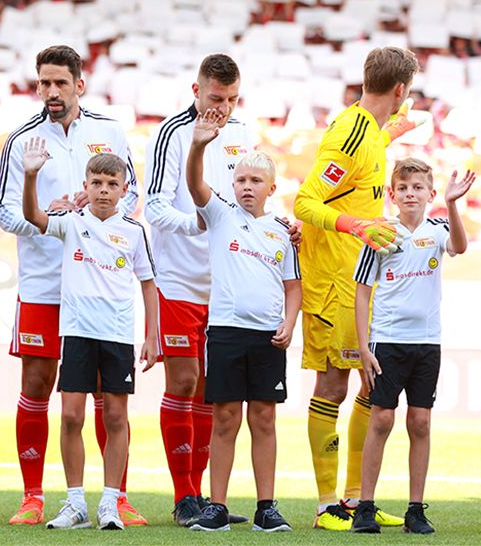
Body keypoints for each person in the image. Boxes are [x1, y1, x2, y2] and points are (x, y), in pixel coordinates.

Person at [0, 44, 145, 526]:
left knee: (106, 395)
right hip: (43, 283)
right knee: (39, 384)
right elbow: (4, 214)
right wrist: (53, 212)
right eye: (45, 83)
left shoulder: (110, 131)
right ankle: (34, 495)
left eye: (61, 82)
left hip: (99, 286)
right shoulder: (20, 140)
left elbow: (134, 193)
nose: (52, 91)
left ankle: (114, 497)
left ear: (80, 84)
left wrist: (101, 208)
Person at [294, 46, 419, 530]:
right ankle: (328, 506)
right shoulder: (349, 132)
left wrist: (391, 134)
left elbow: (359, 174)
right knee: (333, 383)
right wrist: (356, 226)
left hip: (359, 277)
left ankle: (356, 500)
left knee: (370, 379)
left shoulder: (369, 132)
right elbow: (306, 201)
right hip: (331, 281)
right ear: (401, 90)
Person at [141, 53, 257, 526]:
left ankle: (209, 497)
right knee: (184, 381)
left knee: (214, 390)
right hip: (179, 281)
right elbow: (152, 206)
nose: (223, 107)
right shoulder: (170, 133)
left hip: (227, 286)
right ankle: (184, 493)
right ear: (196, 90)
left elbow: (251, 196)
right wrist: (199, 223)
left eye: (231, 99)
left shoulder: (243, 134)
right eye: (215, 97)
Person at [22, 143, 159, 531]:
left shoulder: (134, 231)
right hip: (78, 333)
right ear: (85, 184)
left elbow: (148, 284)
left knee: (116, 417)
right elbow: (34, 217)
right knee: (70, 416)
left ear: (124, 189)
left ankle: (111, 502)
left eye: (111, 183)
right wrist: (31, 175)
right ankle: (75, 502)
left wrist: (151, 336)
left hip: (117, 336)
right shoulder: (72, 221)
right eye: (96, 182)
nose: (103, 190)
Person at [180, 109, 300, 532]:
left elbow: (293, 286)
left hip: (268, 337)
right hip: (227, 332)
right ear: (233, 185)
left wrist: (290, 322)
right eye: (241, 180)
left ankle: (266, 506)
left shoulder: (283, 231)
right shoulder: (220, 214)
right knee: (226, 416)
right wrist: (198, 143)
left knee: (264, 418)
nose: (247, 187)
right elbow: (195, 184)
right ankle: (216, 506)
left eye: (255, 181)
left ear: (271, 187)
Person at [350, 160, 475, 535]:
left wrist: (453, 205)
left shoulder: (438, 229)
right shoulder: (381, 234)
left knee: (420, 422)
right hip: (386, 340)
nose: (410, 194)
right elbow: (361, 291)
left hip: (426, 342)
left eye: (418, 188)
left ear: (430, 194)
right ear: (393, 194)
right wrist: (363, 346)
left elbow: (460, 247)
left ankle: (415, 510)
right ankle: (365, 507)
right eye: (403, 188)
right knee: (382, 419)